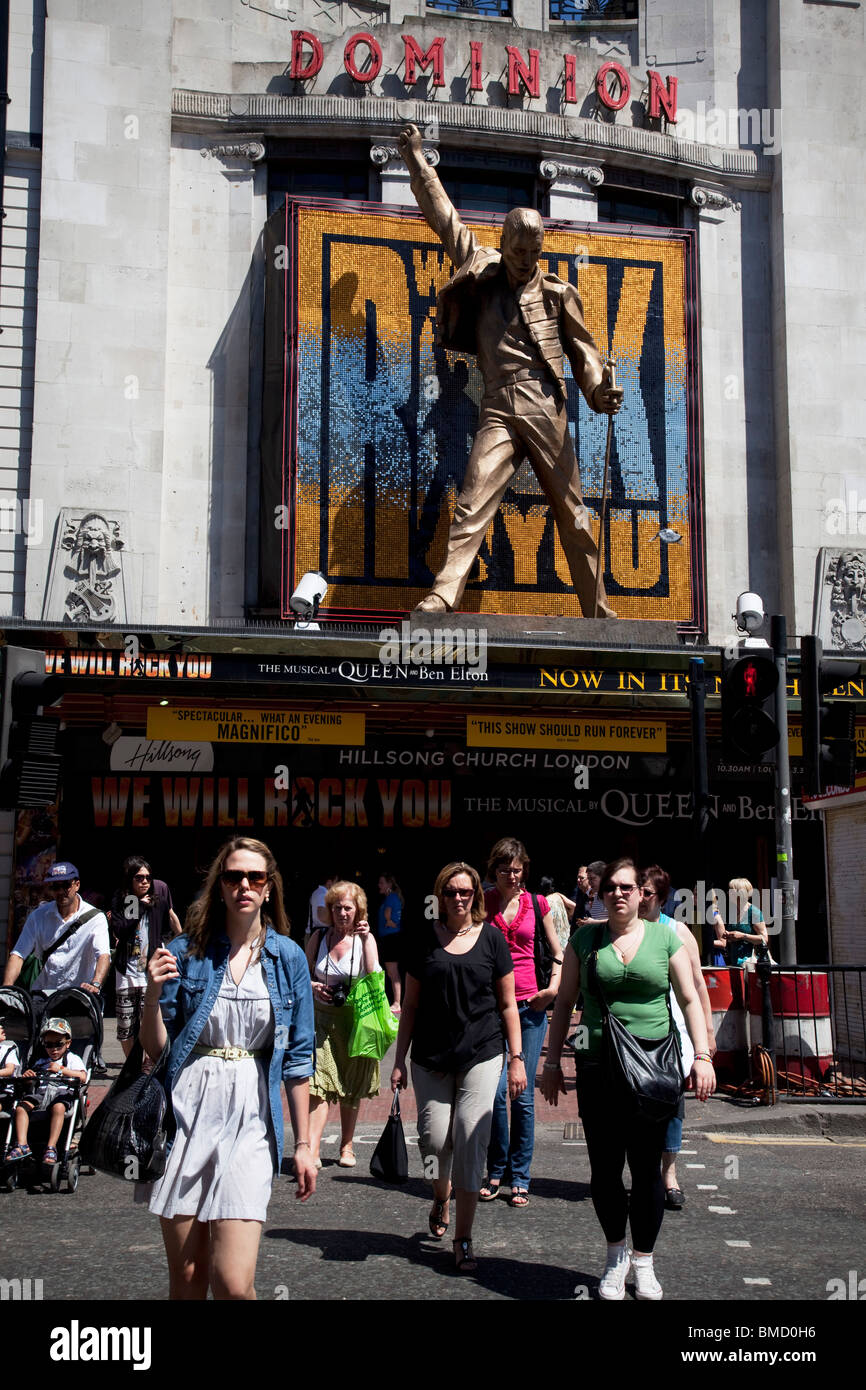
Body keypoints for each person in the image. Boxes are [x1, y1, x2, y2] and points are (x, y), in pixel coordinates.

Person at [397, 123, 623, 618]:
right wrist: (416, 160)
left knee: (575, 514)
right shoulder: (482, 267)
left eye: (534, 251)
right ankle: (444, 594)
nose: (525, 260)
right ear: (503, 243)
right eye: (518, 251)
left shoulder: (559, 293)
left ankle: (598, 608)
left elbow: (583, 352)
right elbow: (444, 216)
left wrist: (597, 390)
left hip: (545, 405)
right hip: (499, 403)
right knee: (473, 498)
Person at [139, 836, 316, 1301]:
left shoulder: (289, 958)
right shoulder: (186, 951)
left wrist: (304, 1144)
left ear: (269, 888)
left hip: (252, 1114)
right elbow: (158, 1048)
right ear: (219, 886)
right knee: (190, 1277)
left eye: (255, 877)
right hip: (186, 1112)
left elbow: (299, 1059)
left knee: (234, 1284)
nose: (244, 885)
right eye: (233, 876)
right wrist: (152, 995)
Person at [541, 858, 715, 1301]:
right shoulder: (585, 939)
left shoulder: (666, 937)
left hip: (655, 1067)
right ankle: (616, 1257)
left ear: (642, 893)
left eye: (627, 888)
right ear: (601, 896)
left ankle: (644, 1261)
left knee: (646, 1169)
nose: (619, 894)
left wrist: (702, 1056)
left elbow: (691, 997)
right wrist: (551, 1064)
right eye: (611, 889)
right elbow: (563, 1004)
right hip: (597, 1065)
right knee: (604, 1169)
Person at [391, 861, 525, 1273]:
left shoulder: (492, 940)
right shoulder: (422, 940)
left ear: (476, 897)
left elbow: (507, 1005)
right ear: (440, 896)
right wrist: (398, 1061)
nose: (458, 898)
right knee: (433, 1141)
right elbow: (410, 1006)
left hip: (482, 1053)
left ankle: (463, 1237)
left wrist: (517, 1059)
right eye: (450, 891)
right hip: (430, 1057)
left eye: (465, 891)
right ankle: (439, 1194)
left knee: (470, 1137)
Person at [480, 839, 562, 1207]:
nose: (511, 876)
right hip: (494, 1006)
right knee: (496, 1095)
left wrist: (553, 990)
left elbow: (559, 952)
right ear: (493, 870)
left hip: (531, 1007)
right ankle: (496, 1168)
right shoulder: (484, 901)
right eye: (504, 869)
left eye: (516, 870)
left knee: (522, 1095)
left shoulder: (538, 903)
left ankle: (520, 1176)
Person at [639, 865, 716, 1212]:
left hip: (673, 1035)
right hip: (633, 1035)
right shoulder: (624, 931)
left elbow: (698, 985)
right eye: (636, 891)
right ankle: (642, 1173)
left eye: (648, 894)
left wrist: (708, 1037)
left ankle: (668, 1175)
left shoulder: (678, 932)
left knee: (671, 1107)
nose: (640, 898)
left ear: (663, 899)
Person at [306, 880, 380, 1169]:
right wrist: (314, 985)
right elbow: (303, 972)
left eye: (348, 907)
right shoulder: (318, 937)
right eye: (336, 907)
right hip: (322, 1019)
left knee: (350, 1086)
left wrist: (365, 939)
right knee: (318, 1083)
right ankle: (312, 1149)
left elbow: (374, 975)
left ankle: (347, 1145)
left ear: (358, 909)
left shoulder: (366, 939)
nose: (342, 913)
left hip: (355, 1021)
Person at [3, 862, 110, 998]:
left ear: (77, 885)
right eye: (55, 887)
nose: (60, 892)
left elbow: (103, 955)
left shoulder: (96, 918)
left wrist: (95, 984)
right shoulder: (38, 916)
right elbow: (18, 955)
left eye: (65, 885)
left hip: (79, 995)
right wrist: (7, 989)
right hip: (44, 994)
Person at [109, 857, 182, 1057]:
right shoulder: (126, 900)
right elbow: (123, 930)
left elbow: (171, 916)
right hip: (127, 972)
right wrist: (140, 905)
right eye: (139, 878)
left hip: (149, 972)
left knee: (149, 1022)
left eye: (148, 878)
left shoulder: (158, 898)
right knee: (126, 1026)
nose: (144, 882)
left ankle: (150, 1064)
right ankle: (132, 1067)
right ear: (130, 880)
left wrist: (183, 941)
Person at [7, 1017, 86, 1165]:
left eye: (58, 1044)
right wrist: (29, 1078)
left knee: (58, 1107)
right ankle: (22, 1144)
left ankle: (51, 1146)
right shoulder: (41, 1062)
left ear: (68, 1043)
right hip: (41, 1094)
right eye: (49, 1044)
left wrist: (62, 1069)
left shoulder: (72, 1059)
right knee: (21, 1107)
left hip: (62, 1094)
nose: (54, 1049)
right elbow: (32, 1081)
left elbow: (83, 1076)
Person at [721, 878, 769, 966]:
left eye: (731, 891)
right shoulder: (733, 911)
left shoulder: (754, 912)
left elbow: (764, 939)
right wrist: (729, 936)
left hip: (751, 963)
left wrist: (743, 936)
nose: (728, 893)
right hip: (735, 963)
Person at [377, 873, 404, 1013]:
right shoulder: (393, 897)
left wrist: (388, 920)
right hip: (391, 938)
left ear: (389, 884)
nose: (379, 886)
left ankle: (397, 1003)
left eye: (382, 883)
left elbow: (388, 914)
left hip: (390, 939)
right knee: (392, 972)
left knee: (393, 973)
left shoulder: (390, 898)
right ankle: (396, 1001)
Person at [539, 875, 576, 953]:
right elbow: (574, 906)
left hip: (554, 946)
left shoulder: (544, 902)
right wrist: (568, 915)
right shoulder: (558, 896)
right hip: (567, 941)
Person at [574, 861, 607, 925]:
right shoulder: (594, 896)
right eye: (589, 879)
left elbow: (619, 921)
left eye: (592, 878)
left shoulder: (611, 897)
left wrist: (593, 922)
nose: (589, 882)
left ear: (603, 877)